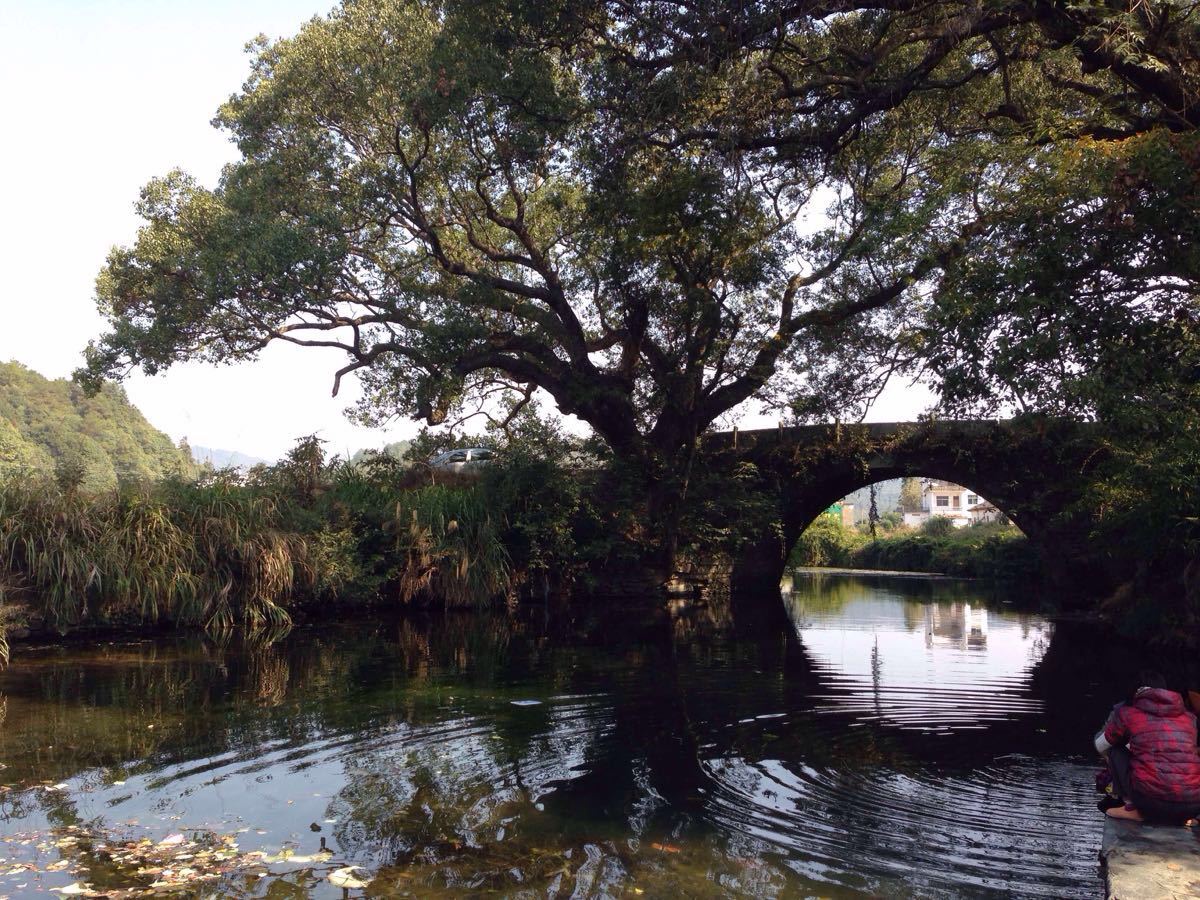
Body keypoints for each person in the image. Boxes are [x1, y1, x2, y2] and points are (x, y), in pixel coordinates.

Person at [1094, 671, 1200, 824]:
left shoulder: (1128, 713)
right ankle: (1188, 818)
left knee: (1116, 750)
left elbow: (1100, 745)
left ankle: (1131, 807)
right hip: (1192, 805)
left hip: (1150, 803)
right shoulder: (1189, 718)